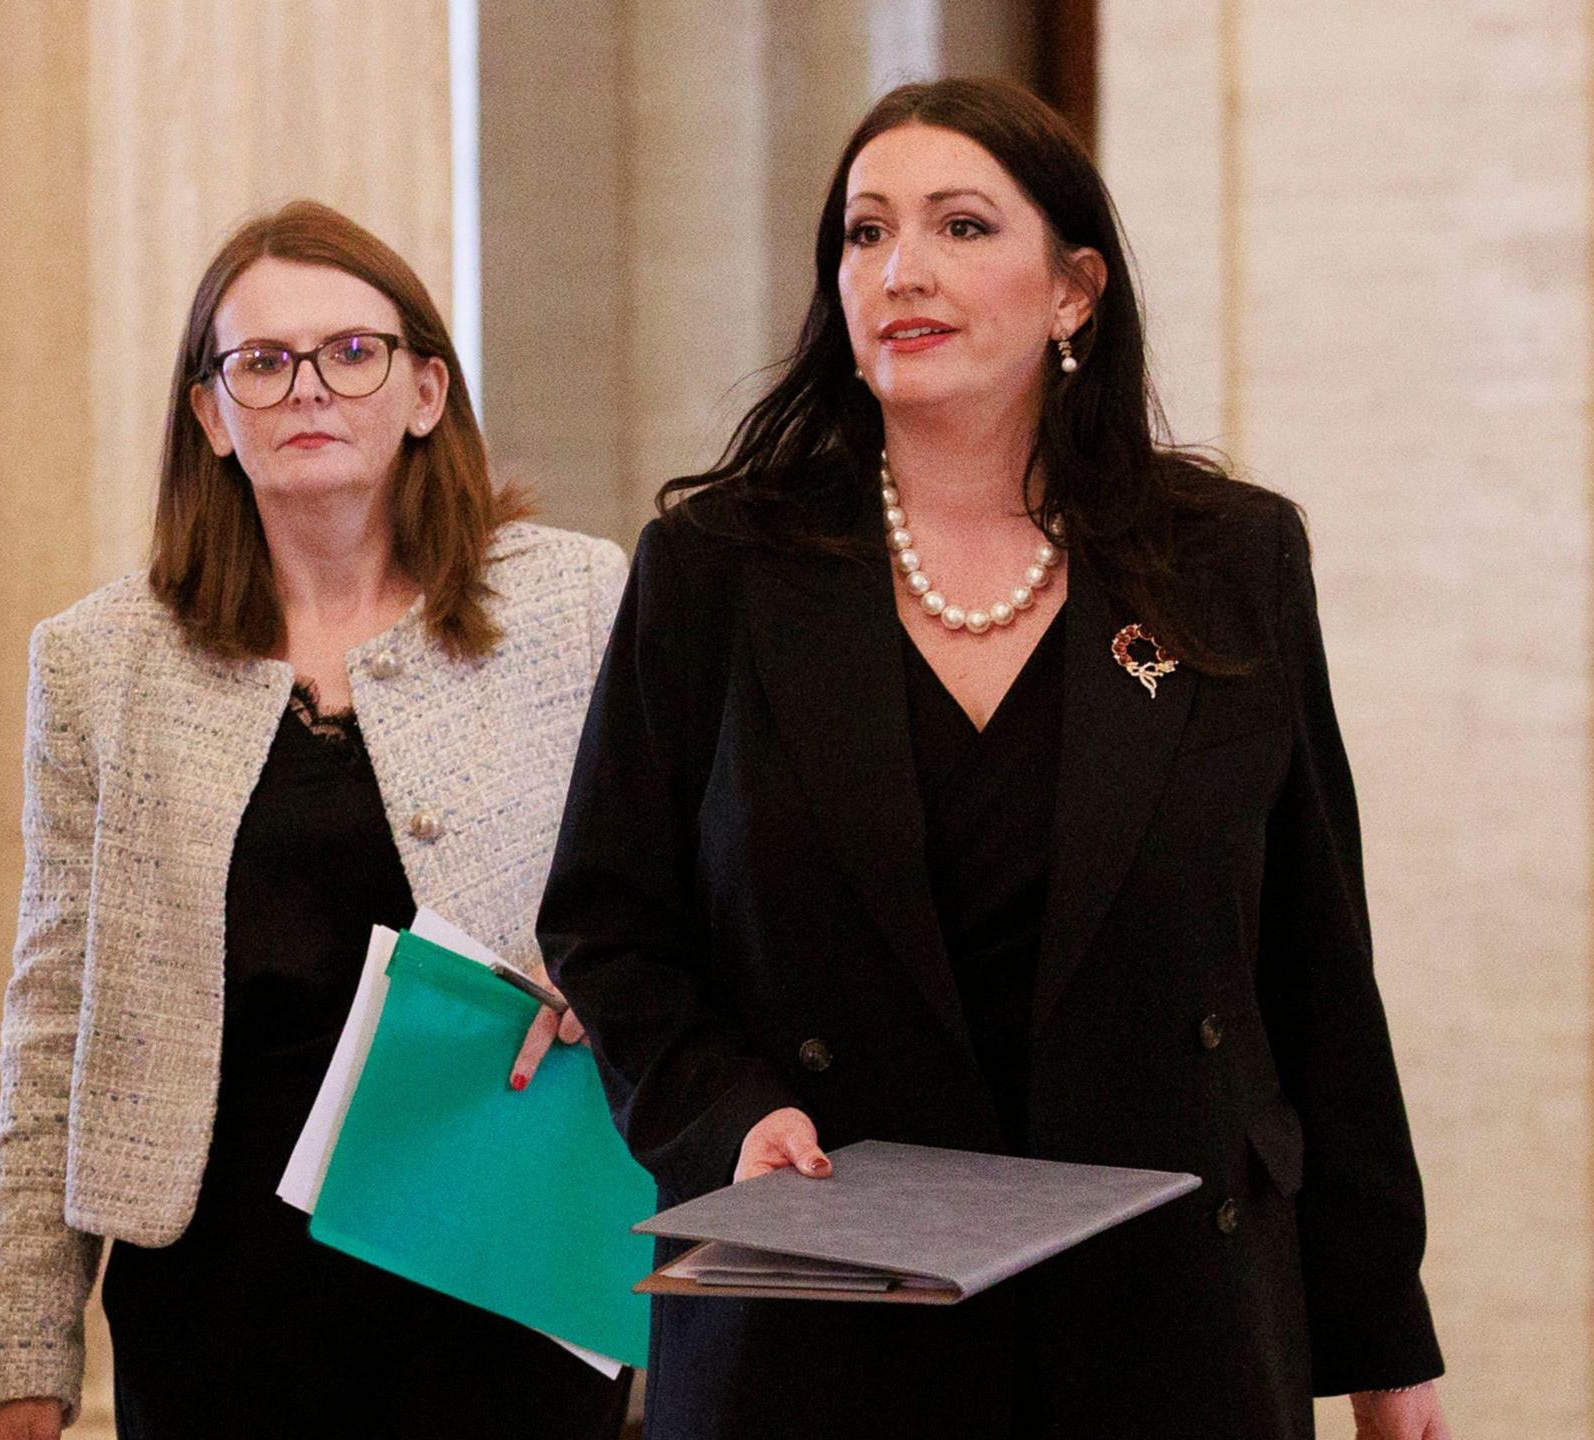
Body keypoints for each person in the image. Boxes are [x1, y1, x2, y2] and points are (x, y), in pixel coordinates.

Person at [539, 78, 1448, 1440]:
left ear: (1074, 290)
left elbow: (1316, 966)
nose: (901, 268)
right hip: (823, 1309)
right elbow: (609, 920)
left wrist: (1381, 1337)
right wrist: (727, 1114)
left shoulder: (1227, 561)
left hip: (1165, 1326)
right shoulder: (718, 569)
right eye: (864, 233)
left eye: (962, 227)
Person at [0, 200, 629, 1440]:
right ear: (211, 414)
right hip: (217, 1281)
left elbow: (672, 889)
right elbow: (55, 1011)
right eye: (260, 364)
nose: (307, 388)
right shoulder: (103, 662)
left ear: (426, 387)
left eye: (350, 353)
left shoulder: (576, 603)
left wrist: (620, 981)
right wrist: (19, 1350)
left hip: (500, 1247)